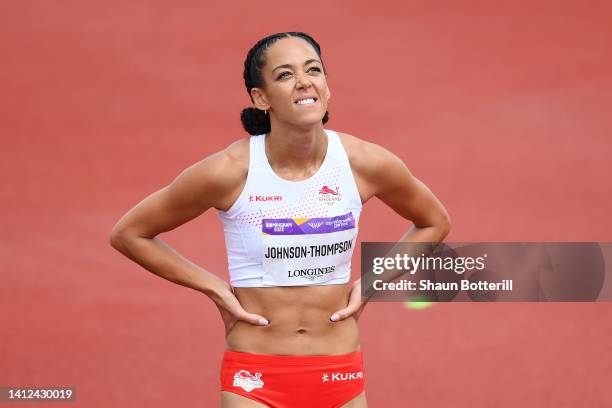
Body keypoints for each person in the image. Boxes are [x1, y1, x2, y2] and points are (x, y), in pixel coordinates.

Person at [110, 31, 451, 408]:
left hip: (339, 370)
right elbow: (130, 234)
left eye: (314, 70)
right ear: (261, 98)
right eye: (285, 75)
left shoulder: (363, 163)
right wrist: (214, 288)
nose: (304, 81)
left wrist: (371, 281)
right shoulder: (230, 171)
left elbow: (434, 221)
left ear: (327, 86)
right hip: (255, 374)